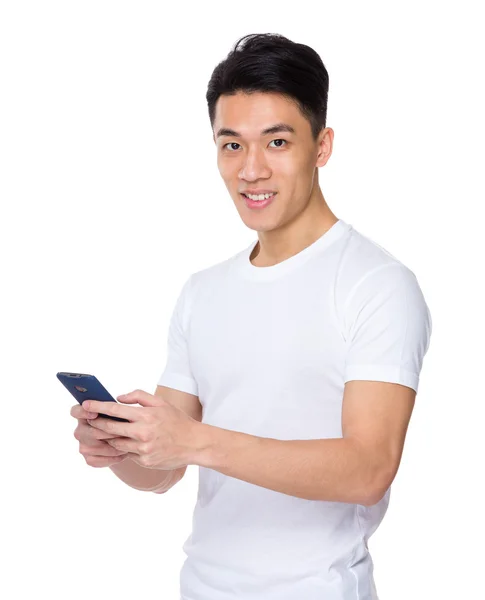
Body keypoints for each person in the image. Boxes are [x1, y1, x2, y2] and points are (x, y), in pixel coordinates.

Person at [71, 33, 433, 600]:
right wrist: (125, 449)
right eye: (232, 145)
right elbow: (162, 472)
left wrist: (192, 441)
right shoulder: (202, 291)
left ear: (322, 146)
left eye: (278, 141)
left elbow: (368, 471)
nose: (251, 170)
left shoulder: (377, 285)